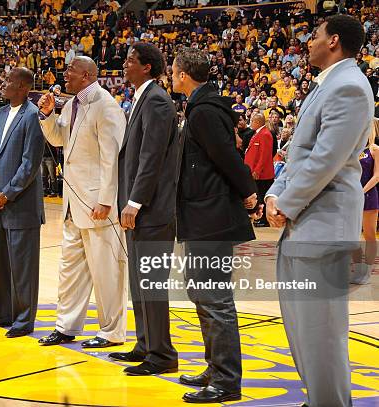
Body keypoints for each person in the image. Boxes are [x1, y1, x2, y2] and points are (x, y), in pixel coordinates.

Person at [265, 15, 374, 407]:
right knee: (301, 329)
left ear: (334, 42)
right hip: (305, 220)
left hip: (323, 222)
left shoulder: (349, 87)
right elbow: (299, 155)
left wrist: (287, 202)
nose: (307, 42)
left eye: (314, 35)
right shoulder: (326, 85)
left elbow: (327, 160)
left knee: (322, 332)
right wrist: (275, 194)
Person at [171, 47, 259, 404]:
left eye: (174, 71)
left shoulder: (204, 111)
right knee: (202, 294)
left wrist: (249, 192)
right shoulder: (200, 106)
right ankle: (215, 367)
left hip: (212, 216)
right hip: (201, 213)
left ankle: (226, 380)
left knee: (214, 297)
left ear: (182, 75)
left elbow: (227, 156)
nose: (172, 76)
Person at [37, 56, 127, 348]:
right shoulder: (73, 104)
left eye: (70, 70)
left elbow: (111, 158)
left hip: (97, 204)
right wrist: (48, 115)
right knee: (70, 268)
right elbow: (58, 140)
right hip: (72, 202)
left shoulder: (106, 105)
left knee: (106, 270)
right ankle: (66, 326)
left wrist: (106, 200)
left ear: (87, 74)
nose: (65, 74)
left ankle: (111, 331)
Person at [110, 42, 179, 375]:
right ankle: (145, 343)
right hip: (139, 208)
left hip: (152, 209)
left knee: (151, 283)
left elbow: (151, 157)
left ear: (147, 67)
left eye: (130, 61)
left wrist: (134, 201)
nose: (125, 65)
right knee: (139, 281)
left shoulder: (157, 101)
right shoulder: (142, 99)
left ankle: (162, 354)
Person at [0, 67, 45, 338]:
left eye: (9, 81)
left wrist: (8, 193)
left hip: (20, 204)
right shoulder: (1, 113)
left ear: (24, 87)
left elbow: (30, 163)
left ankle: (24, 319)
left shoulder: (32, 115)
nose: (3, 84)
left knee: (23, 267)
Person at [351, 118, 379, 284]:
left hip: (368, 195)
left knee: (369, 235)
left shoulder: (374, 149)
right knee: (352, 235)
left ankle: (367, 271)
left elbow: (377, 176)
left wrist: (361, 192)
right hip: (352, 196)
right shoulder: (354, 150)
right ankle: (358, 268)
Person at [245, 113, 274, 227]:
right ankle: (260, 218)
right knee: (259, 195)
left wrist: (257, 170)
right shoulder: (258, 133)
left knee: (262, 195)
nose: (251, 123)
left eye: (252, 121)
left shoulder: (265, 134)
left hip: (263, 174)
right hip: (257, 172)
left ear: (257, 122)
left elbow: (265, 155)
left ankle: (264, 219)